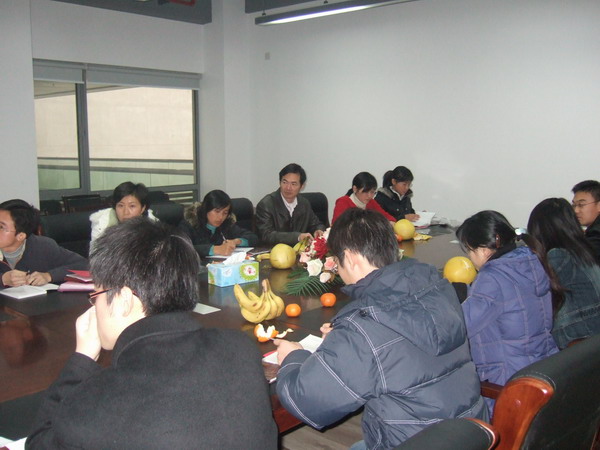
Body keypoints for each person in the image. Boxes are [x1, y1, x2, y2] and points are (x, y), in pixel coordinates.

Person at [26, 218, 278, 449]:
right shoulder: (240, 348)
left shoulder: (98, 405)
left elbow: (39, 442)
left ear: (124, 299)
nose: (94, 306)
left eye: (97, 295)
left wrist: (82, 359)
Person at [274, 209, 487, 449]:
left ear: (350, 258)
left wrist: (293, 356)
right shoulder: (437, 286)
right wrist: (344, 343)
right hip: (470, 434)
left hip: (412, 442)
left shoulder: (363, 327)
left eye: (337, 261)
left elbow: (306, 402)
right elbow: (398, 349)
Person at [456, 211, 559, 391]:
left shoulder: (492, 278)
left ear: (483, 250)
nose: (469, 257)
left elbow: (461, 327)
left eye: (469, 250)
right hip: (541, 368)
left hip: (506, 382)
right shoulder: (532, 261)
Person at [527, 198, 600, 349]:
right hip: (592, 333)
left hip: (577, 335)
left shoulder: (558, 255)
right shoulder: (583, 250)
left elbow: (533, 289)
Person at [0, 199, 87, 288]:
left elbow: (85, 266)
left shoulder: (42, 246)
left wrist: (49, 276)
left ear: (20, 236)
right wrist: (3, 279)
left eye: (1, 227)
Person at [255, 163, 325, 246]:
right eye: (285, 182)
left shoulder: (304, 203)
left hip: (298, 251)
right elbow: (266, 235)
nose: (288, 188)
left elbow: (316, 224)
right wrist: (297, 237)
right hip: (272, 251)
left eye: (293, 184)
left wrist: (318, 230)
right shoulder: (266, 205)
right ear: (280, 182)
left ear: (302, 186)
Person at [178, 189, 258, 258]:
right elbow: (181, 249)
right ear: (206, 209)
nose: (220, 217)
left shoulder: (226, 224)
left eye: (225, 213)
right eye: (217, 211)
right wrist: (216, 249)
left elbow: (253, 238)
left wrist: (236, 241)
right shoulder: (189, 224)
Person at [89, 181, 157, 243]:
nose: (126, 212)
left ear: (143, 208)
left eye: (132, 206)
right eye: (121, 206)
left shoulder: (153, 227)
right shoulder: (102, 226)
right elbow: (96, 252)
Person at [331, 172, 396, 224]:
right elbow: (336, 226)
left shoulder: (371, 202)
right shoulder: (343, 202)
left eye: (372, 192)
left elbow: (387, 217)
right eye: (365, 192)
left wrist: (390, 222)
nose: (369, 196)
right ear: (355, 189)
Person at [571, 180, 600, 261]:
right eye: (574, 205)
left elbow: (579, 258)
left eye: (581, 205)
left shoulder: (596, 234)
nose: (576, 211)